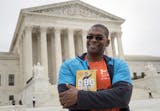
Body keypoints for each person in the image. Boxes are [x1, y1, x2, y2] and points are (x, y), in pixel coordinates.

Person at [58, 24, 133, 111]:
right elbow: (65, 99)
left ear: (107, 42)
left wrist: (79, 96)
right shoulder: (68, 66)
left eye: (99, 38)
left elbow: (122, 97)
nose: (93, 40)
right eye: (89, 37)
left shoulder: (118, 64)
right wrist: (111, 93)